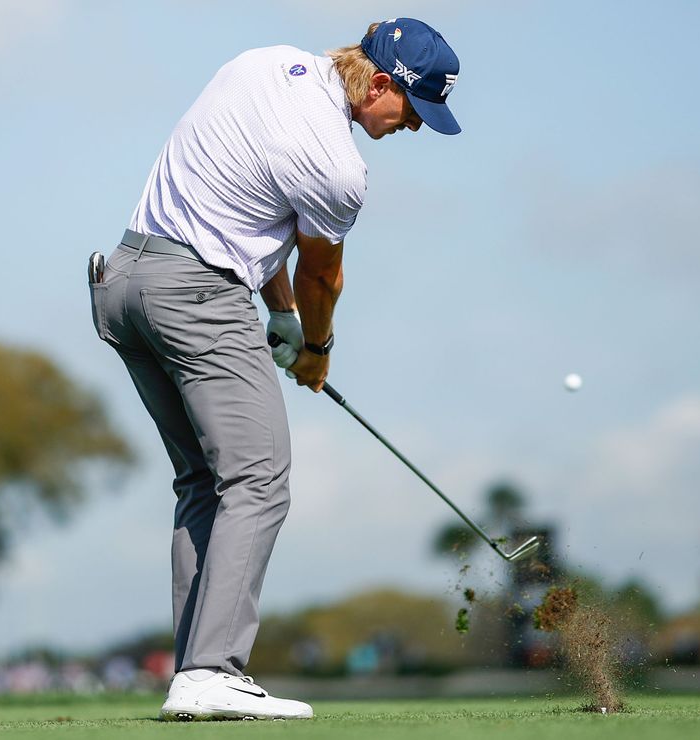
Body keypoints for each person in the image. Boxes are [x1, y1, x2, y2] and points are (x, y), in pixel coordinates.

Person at [88, 18, 461, 721]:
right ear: (380, 82)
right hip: (197, 295)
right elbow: (323, 276)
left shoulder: (262, 64)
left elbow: (246, 209)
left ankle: (194, 673)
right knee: (258, 478)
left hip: (125, 284)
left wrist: (279, 316)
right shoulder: (340, 167)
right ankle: (209, 671)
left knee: (206, 479)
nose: (414, 126)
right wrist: (315, 348)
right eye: (413, 109)